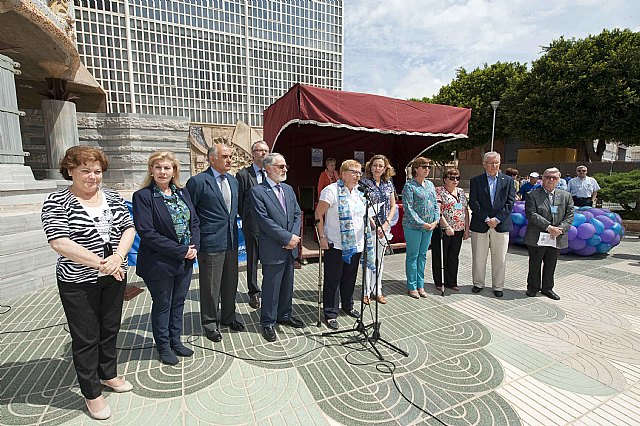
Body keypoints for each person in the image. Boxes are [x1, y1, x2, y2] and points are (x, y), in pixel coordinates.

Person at [41, 146, 135, 420]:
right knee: (85, 337)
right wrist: (101, 263)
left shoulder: (114, 198)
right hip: (78, 281)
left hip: (114, 275)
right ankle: (91, 393)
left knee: (109, 328)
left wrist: (117, 256)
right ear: (70, 171)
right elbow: (59, 242)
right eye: (85, 170)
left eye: (97, 171)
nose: (92, 176)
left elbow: (128, 229)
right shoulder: (56, 201)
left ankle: (108, 374)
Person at [132, 151, 200, 365]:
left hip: (185, 259)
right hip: (159, 262)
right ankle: (163, 346)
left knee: (178, 302)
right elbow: (147, 232)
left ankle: (175, 340)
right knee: (163, 303)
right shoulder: (143, 196)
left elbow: (195, 222)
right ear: (151, 170)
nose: (163, 171)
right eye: (158, 167)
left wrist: (193, 246)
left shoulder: (182, 192)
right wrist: (181, 251)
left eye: (167, 167)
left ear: (174, 171)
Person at [186, 143, 244, 343]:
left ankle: (228, 317)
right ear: (212, 159)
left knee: (230, 282)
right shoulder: (198, 182)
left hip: (231, 240)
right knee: (211, 286)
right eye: (225, 156)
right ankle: (210, 323)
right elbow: (190, 214)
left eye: (231, 156)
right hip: (210, 242)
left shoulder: (233, 181)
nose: (230, 160)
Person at [249, 153, 303, 342]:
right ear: (269, 168)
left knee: (287, 285)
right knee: (271, 287)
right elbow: (264, 221)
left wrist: (294, 238)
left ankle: (284, 315)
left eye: (285, 166)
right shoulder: (257, 192)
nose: (285, 169)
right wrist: (287, 237)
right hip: (273, 247)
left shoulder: (288, 189)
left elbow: (297, 213)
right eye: (281, 166)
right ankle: (268, 322)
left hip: (291, 247)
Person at [315, 159, 375, 330]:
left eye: (359, 172)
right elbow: (319, 213)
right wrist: (322, 236)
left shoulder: (360, 192)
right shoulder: (331, 191)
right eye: (354, 172)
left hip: (356, 244)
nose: (358, 175)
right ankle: (330, 312)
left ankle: (347, 306)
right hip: (336, 244)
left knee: (350, 278)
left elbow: (364, 215)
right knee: (333, 279)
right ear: (343, 174)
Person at [469, 151, 515, 298]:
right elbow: (473, 202)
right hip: (481, 224)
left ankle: (498, 286)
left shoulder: (508, 181)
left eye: (497, 162)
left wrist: (497, 219)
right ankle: (478, 283)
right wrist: (486, 218)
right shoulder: (476, 181)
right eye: (491, 162)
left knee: (500, 258)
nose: (494, 165)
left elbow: (510, 202)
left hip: (501, 226)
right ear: (484, 164)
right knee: (478, 257)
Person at [524, 167, 574, 300]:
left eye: (554, 178)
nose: (551, 180)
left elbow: (570, 215)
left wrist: (560, 229)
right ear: (542, 178)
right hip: (537, 235)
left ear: (559, 179)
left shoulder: (566, 196)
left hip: (556, 236)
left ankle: (547, 288)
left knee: (551, 263)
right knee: (535, 263)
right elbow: (531, 214)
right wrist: (548, 227)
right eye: (547, 177)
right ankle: (533, 287)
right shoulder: (532, 195)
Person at [236, 140, 270, 310]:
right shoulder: (243, 175)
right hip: (253, 225)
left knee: (269, 259)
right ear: (252, 153)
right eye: (259, 150)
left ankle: (268, 290)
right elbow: (240, 202)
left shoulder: (272, 173)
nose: (263, 153)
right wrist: (248, 219)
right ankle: (254, 293)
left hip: (271, 226)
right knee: (253, 260)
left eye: (266, 150)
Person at [360, 154, 397, 305]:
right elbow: (362, 205)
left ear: (385, 168)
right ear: (370, 166)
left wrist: (386, 224)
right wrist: (374, 224)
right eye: (375, 165)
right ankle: (366, 292)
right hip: (369, 227)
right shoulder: (364, 183)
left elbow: (393, 205)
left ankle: (378, 290)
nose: (377, 168)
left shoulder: (388, 183)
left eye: (380, 166)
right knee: (368, 260)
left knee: (380, 261)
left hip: (384, 227)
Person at [402, 157, 439, 299]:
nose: (427, 169)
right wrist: (421, 223)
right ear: (416, 168)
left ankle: (420, 285)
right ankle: (412, 286)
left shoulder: (430, 185)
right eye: (424, 166)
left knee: (423, 255)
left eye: (429, 166)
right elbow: (408, 208)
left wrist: (435, 220)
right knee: (413, 256)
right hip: (413, 227)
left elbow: (435, 204)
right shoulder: (409, 186)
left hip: (429, 227)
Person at [431, 168, 470, 292]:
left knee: (454, 256)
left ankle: (451, 281)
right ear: (445, 179)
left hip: (458, 229)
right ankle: (439, 281)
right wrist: (446, 226)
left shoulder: (461, 192)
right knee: (440, 256)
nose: (455, 181)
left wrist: (467, 229)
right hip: (443, 229)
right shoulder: (439, 191)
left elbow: (465, 211)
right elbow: (437, 211)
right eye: (452, 178)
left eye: (457, 178)